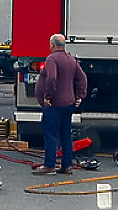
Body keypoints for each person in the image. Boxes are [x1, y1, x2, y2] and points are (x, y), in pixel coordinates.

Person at [33, 33, 88, 175]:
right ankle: (66, 166)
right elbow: (82, 78)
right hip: (68, 103)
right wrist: (80, 96)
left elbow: (52, 78)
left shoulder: (52, 59)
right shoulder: (71, 59)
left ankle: (49, 166)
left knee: (50, 134)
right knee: (65, 135)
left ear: (52, 45)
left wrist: (47, 97)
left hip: (54, 104)